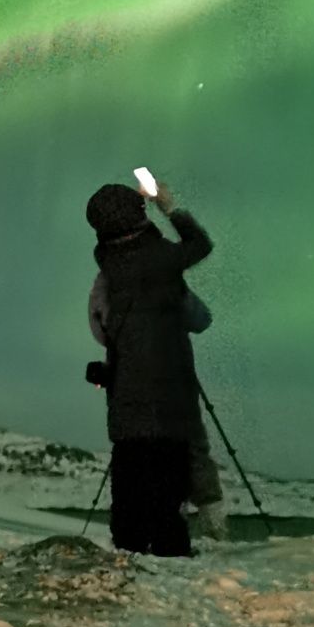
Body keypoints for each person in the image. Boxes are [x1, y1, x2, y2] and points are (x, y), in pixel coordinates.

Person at [85, 177, 213, 557]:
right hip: (171, 404)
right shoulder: (161, 261)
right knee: (167, 501)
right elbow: (200, 245)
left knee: (129, 498)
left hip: (126, 408)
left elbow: (99, 328)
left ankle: (128, 557)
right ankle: (172, 559)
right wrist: (167, 205)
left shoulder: (108, 270)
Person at [90, 269, 228, 541]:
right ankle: (207, 525)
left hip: (130, 388)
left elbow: (100, 329)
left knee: (137, 452)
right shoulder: (163, 277)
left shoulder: (107, 281)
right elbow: (201, 319)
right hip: (173, 385)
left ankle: (141, 533)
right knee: (190, 448)